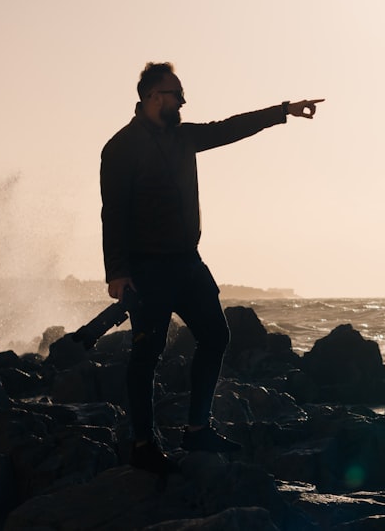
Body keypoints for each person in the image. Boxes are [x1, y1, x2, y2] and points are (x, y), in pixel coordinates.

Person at [100, 61, 323, 473]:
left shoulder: (184, 138)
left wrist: (284, 110)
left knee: (216, 335)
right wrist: (117, 272)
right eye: (175, 93)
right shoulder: (120, 148)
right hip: (147, 269)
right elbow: (112, 213)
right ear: (151, 97)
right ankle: (143, 444)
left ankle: (197, 428)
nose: (183, 100)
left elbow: (230, 128)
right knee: (146, 354)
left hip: (188, 262)